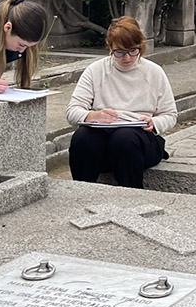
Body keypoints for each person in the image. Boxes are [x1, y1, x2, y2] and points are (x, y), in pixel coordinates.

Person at [66, 16, 176, 188]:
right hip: (103, 137)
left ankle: (131, 195)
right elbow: (72, 111)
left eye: (133, 50)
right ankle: (81, 192)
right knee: (82, 138)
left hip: (139, 139)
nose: (127, 58)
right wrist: (93, 115)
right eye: (120, 52)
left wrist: (153, 123)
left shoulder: (154, 72)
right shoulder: (95, 71)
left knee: (124, 138)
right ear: (110, 47)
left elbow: (170, 114)